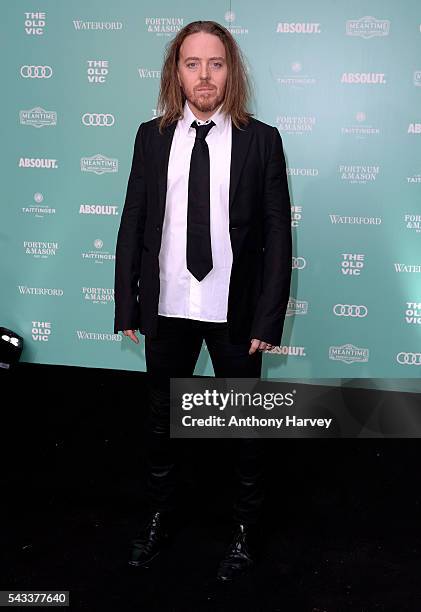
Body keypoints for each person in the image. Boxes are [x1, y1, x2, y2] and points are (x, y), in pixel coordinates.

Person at [113, 20, 292, 582]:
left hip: (235, 312)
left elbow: (278, 233)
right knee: (162, 425)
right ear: (176, 72)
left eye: (215, 63)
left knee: (244, 430)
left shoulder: (262, 140)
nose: (205, 75)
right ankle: (160, 519)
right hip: (168, 307)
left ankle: (243, 531)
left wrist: (268, 317)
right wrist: (127, 303)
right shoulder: (151, 136)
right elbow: (134, 220)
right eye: (192, 63)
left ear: (230, 71)